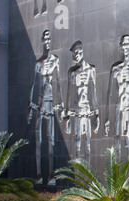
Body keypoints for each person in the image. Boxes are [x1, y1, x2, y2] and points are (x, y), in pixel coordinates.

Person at [28, 30, 63, 185]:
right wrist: (30, 105)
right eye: (45, 38)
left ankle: (51, 175)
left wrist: (60, 104)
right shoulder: (38, 63)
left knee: (51, 142)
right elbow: (33, 85)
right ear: (42, 41)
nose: (47, 41)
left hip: (50, 103)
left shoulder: (55, 61)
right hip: (39, 104)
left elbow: (59, 83)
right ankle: (38, 175)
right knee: (38, 141)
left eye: (49, 38)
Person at [105, 35, 129, 159]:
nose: (126, 46)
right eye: (124, 44)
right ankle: (118, 170)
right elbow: (109, 94)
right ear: (121, 46)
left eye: (128, 44)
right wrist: (107, 118)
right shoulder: (116, 68)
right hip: (119, 106)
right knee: (117, 139)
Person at [64, 40, 99, 163]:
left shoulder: (91, 70)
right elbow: (69, 93)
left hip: (87, 110)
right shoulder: (73, 72)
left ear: (81, 52)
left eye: (76, 53)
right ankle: (77, 177)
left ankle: (88, 175)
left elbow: (93, 91)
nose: (74, 56)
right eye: (73, 54)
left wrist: (96, 113)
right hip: (77, 110)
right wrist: (67, 116)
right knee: (77, 145)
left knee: (88, 145)